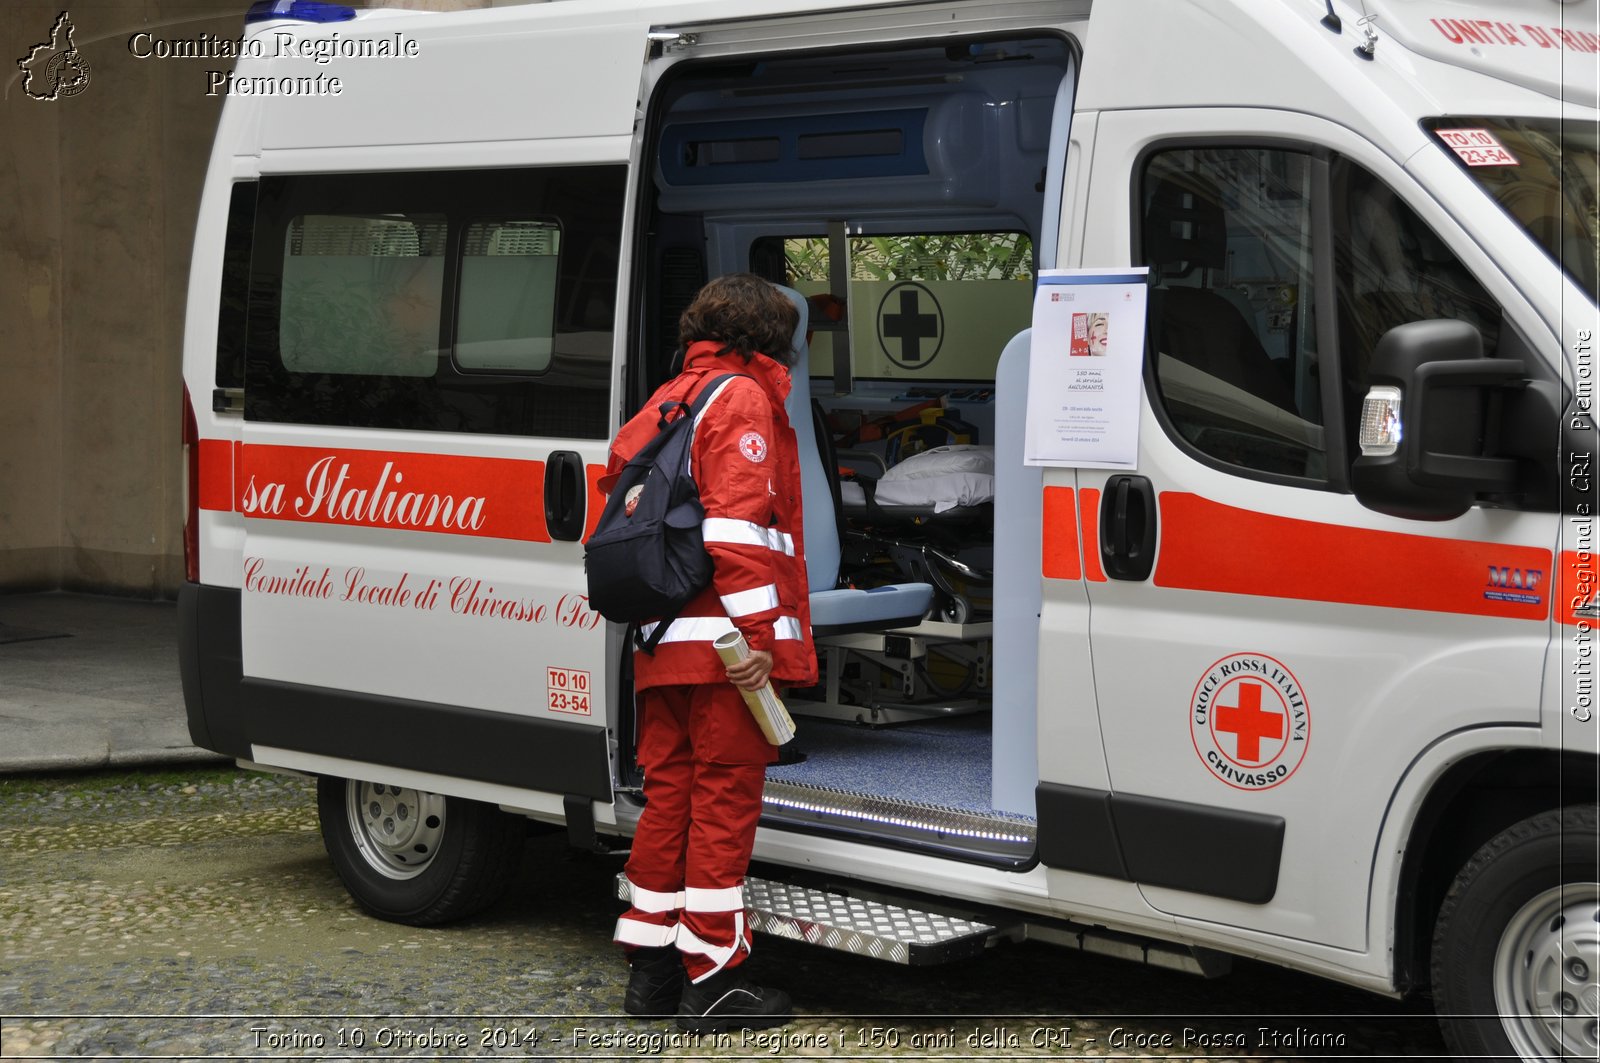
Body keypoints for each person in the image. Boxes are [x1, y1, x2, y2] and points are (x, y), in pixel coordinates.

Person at [603, 274, 817, 1032]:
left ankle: (652, 972)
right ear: (767, 334)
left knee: (669, 801)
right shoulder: (743, 397)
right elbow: (737, 533)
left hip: (661, 644)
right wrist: (758, 642)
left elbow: (619, 493)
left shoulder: (670, 397)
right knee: (722, 809)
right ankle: (717, 977)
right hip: (726, 650)